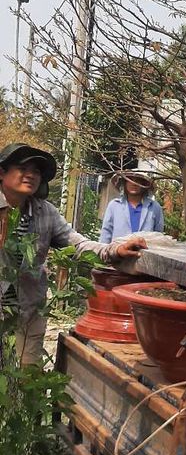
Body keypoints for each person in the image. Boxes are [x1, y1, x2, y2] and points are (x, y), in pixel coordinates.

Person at [0, 143, 146, 366]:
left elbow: (78, 245)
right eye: (23, 168)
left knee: (27, 377)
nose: (31, 175)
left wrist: (116, 249)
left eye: (37, 171)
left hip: (28, 311)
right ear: (2, 172)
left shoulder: (45, 212)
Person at [99, 171, 164, 243]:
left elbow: (158, 236)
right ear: (124, 183)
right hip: (118, 252)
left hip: (145, 253)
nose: (134, 183)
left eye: (138, 181)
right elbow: (106, 233)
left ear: (144, 185)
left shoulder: (154, 207)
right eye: (130, 180)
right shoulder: (114, 205)